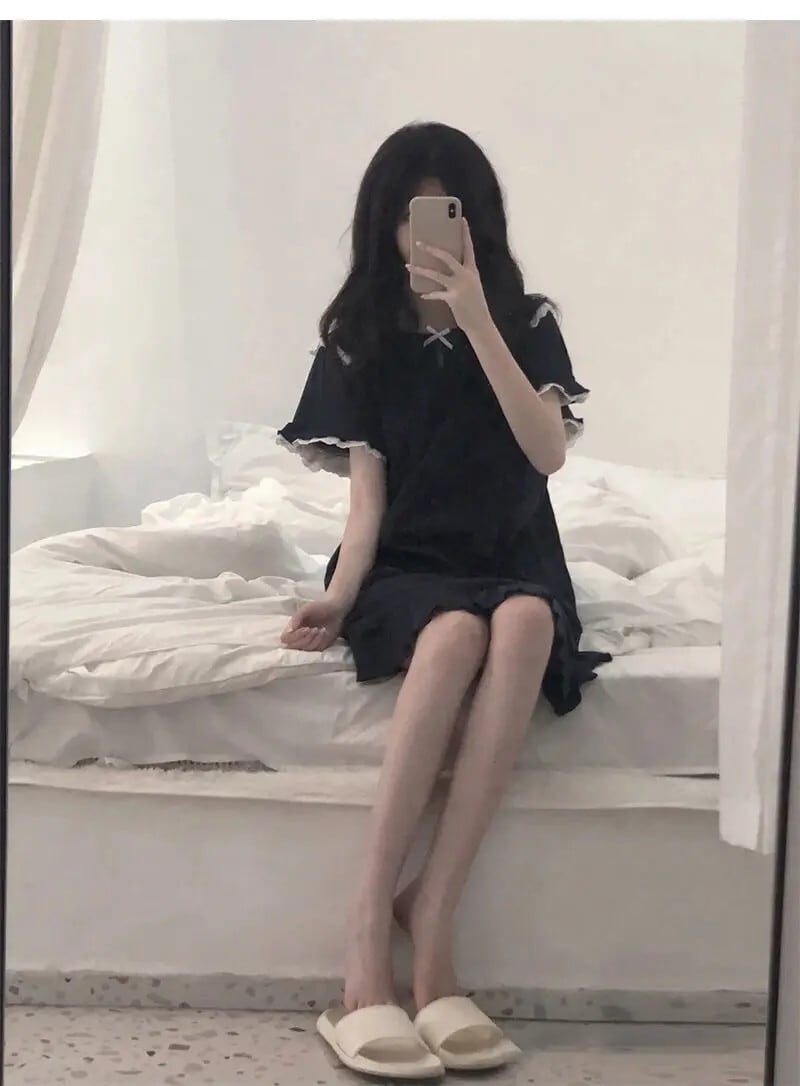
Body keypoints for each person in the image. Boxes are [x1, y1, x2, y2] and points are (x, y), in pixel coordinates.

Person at [278, 121, 610, 1078]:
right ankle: (364, 945)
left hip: (516, 551)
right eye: (409, 213)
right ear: (384, 222)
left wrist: (477, 322)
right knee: (456, 631)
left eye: (447, 211)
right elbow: (367, 502)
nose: (424, 233)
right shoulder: (358, 340)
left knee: (526, 619)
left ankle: (432, 919)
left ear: (477, 222)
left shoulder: (525, 321)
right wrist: (341, 597)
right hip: (410, 562)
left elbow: (545, 455)